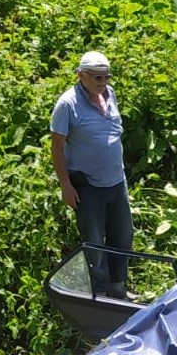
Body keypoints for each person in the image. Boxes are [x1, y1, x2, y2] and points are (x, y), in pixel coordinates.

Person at [51, 51, 133, 299]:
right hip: (87, 185)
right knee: (94, 243)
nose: (102, 82)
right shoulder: (67, 104)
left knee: (123, 235)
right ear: (80, 75)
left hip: (117, 181)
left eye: (106, 76)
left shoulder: (111, 93)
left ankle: (119, 288)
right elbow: (56, 146)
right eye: (97, 77)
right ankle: (101, 294)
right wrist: (65, 184)